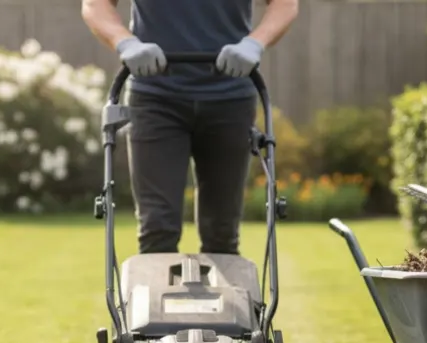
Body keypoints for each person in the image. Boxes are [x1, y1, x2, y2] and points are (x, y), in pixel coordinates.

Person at [81, 0, 299, 256]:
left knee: (222, 232)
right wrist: (125, 42)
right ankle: (156, 294)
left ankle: (228, 295)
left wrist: (254, 43)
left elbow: (285, 4)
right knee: (157, 229)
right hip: (156, 98)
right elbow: (95, 4)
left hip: (230, 97)